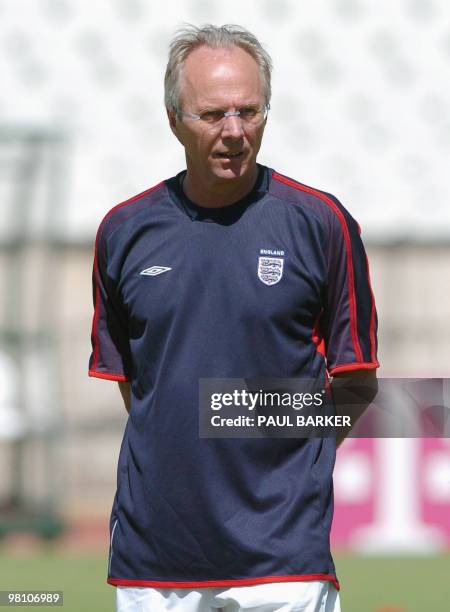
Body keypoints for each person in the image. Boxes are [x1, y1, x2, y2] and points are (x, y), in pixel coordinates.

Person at [89, 24, 379, 612]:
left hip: (283, 555)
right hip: (156, 556)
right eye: (213, 114)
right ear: (173, 119)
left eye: (250, 111)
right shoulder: (123, 232)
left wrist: (281, 447)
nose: (234, 132)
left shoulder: (321, 223)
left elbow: (356, 380)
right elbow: (138, 386)